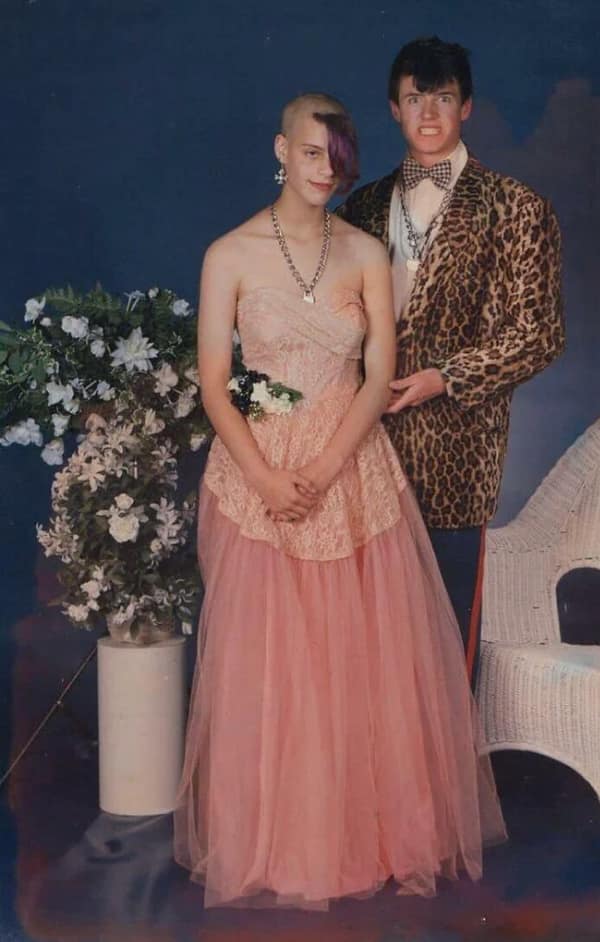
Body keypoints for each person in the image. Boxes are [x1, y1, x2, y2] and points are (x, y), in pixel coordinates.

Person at [174, 92, 506, 910]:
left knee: (359, 667)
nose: (327, 169)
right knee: (267, 665)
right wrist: (263, 470)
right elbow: (217, 384)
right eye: (312, 153)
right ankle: (276, 842)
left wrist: (323, 466)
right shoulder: (229, 255)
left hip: (351, 469)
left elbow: (372, 378)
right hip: (257, 474)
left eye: (339, 157)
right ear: (280, 150)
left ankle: (366, 838)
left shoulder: (365, 254)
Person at [337, 37, 565, 686]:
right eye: (415, 99)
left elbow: (539, 334)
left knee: (442, 652)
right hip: (366, 452)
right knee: (368, 643)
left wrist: (447, 377)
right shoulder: (359, 208)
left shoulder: (518, 207)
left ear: (466, 107)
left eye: (442, 98)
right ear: (393, 108)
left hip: (457, 457)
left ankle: (447, 787)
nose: (429, 114)